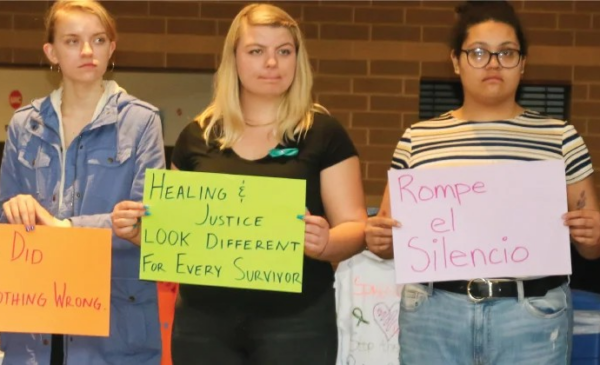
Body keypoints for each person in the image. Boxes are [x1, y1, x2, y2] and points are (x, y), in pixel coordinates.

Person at [111, 3, 366, 364]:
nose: (272, 63)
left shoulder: (323, 134)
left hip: (297, 325)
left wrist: (326, 244)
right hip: (202, 327)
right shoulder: (196, 137)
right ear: (234, 58)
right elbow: (175, 233)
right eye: (256, 51)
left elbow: (356, 228)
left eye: (284, 51)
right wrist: (141, 232)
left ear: (298, 58)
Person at [365, 1, 600, 364]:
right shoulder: (417, 138)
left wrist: (593, 233)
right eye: (478, 52)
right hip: (434, 315)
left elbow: (591, 246)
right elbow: (388, 237)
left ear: (522, 62)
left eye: (506, 52)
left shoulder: (561, 137)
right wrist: (379, 238)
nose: (493, 63)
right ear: (456, 61)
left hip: (531, 317)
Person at [0, 1, 165, 364]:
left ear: (112, 47)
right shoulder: (23, 125)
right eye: (72, 41)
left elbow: (150, 221)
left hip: (113, 321)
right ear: (52, 52)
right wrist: (13, 208)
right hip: (34, 327)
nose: (88, 51)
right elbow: (4, 217)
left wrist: (66, 228)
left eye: (99, 39)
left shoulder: (142, 123)